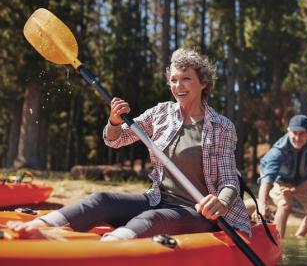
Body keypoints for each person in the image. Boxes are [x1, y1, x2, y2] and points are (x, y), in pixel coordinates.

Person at [7, 48, 251, 240]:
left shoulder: (221, 126)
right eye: (174, 80)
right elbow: (117, 140)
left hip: (199, 211)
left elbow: (229, 180)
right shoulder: (161, 113)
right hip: (159, 198)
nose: (178, 86)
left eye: (186, 79)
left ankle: (106, 250)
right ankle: (33, 228)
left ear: (204, 83)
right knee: (101, 199)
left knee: (152, 219)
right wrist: (113, 122)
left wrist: (221, 201)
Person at [256, 115, 307, 238]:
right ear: (288, 131)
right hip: (276, 178)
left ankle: (299, 238)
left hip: (298, 181)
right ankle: (277, 241)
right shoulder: (279, 149)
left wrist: (294, 191)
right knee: (285, 203)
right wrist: (263, 204)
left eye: (302, 134)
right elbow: (268, 177)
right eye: (294, 133)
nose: (297, 138)